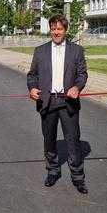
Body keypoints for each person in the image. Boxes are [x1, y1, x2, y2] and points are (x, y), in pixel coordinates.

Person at [27, 14, 89, 194]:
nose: (56, 32)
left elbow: (82, 74)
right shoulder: (40, 51)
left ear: (66, 30)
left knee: (73, 140)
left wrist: (77, 87)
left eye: (59, 29)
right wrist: (32, 88)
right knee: (49, 140)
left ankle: (78, 177)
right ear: (50, 30)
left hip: (68, 101)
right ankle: (52, 171)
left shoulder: (77, 50)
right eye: (53, 29)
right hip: (47, 101)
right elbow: (33, 75)